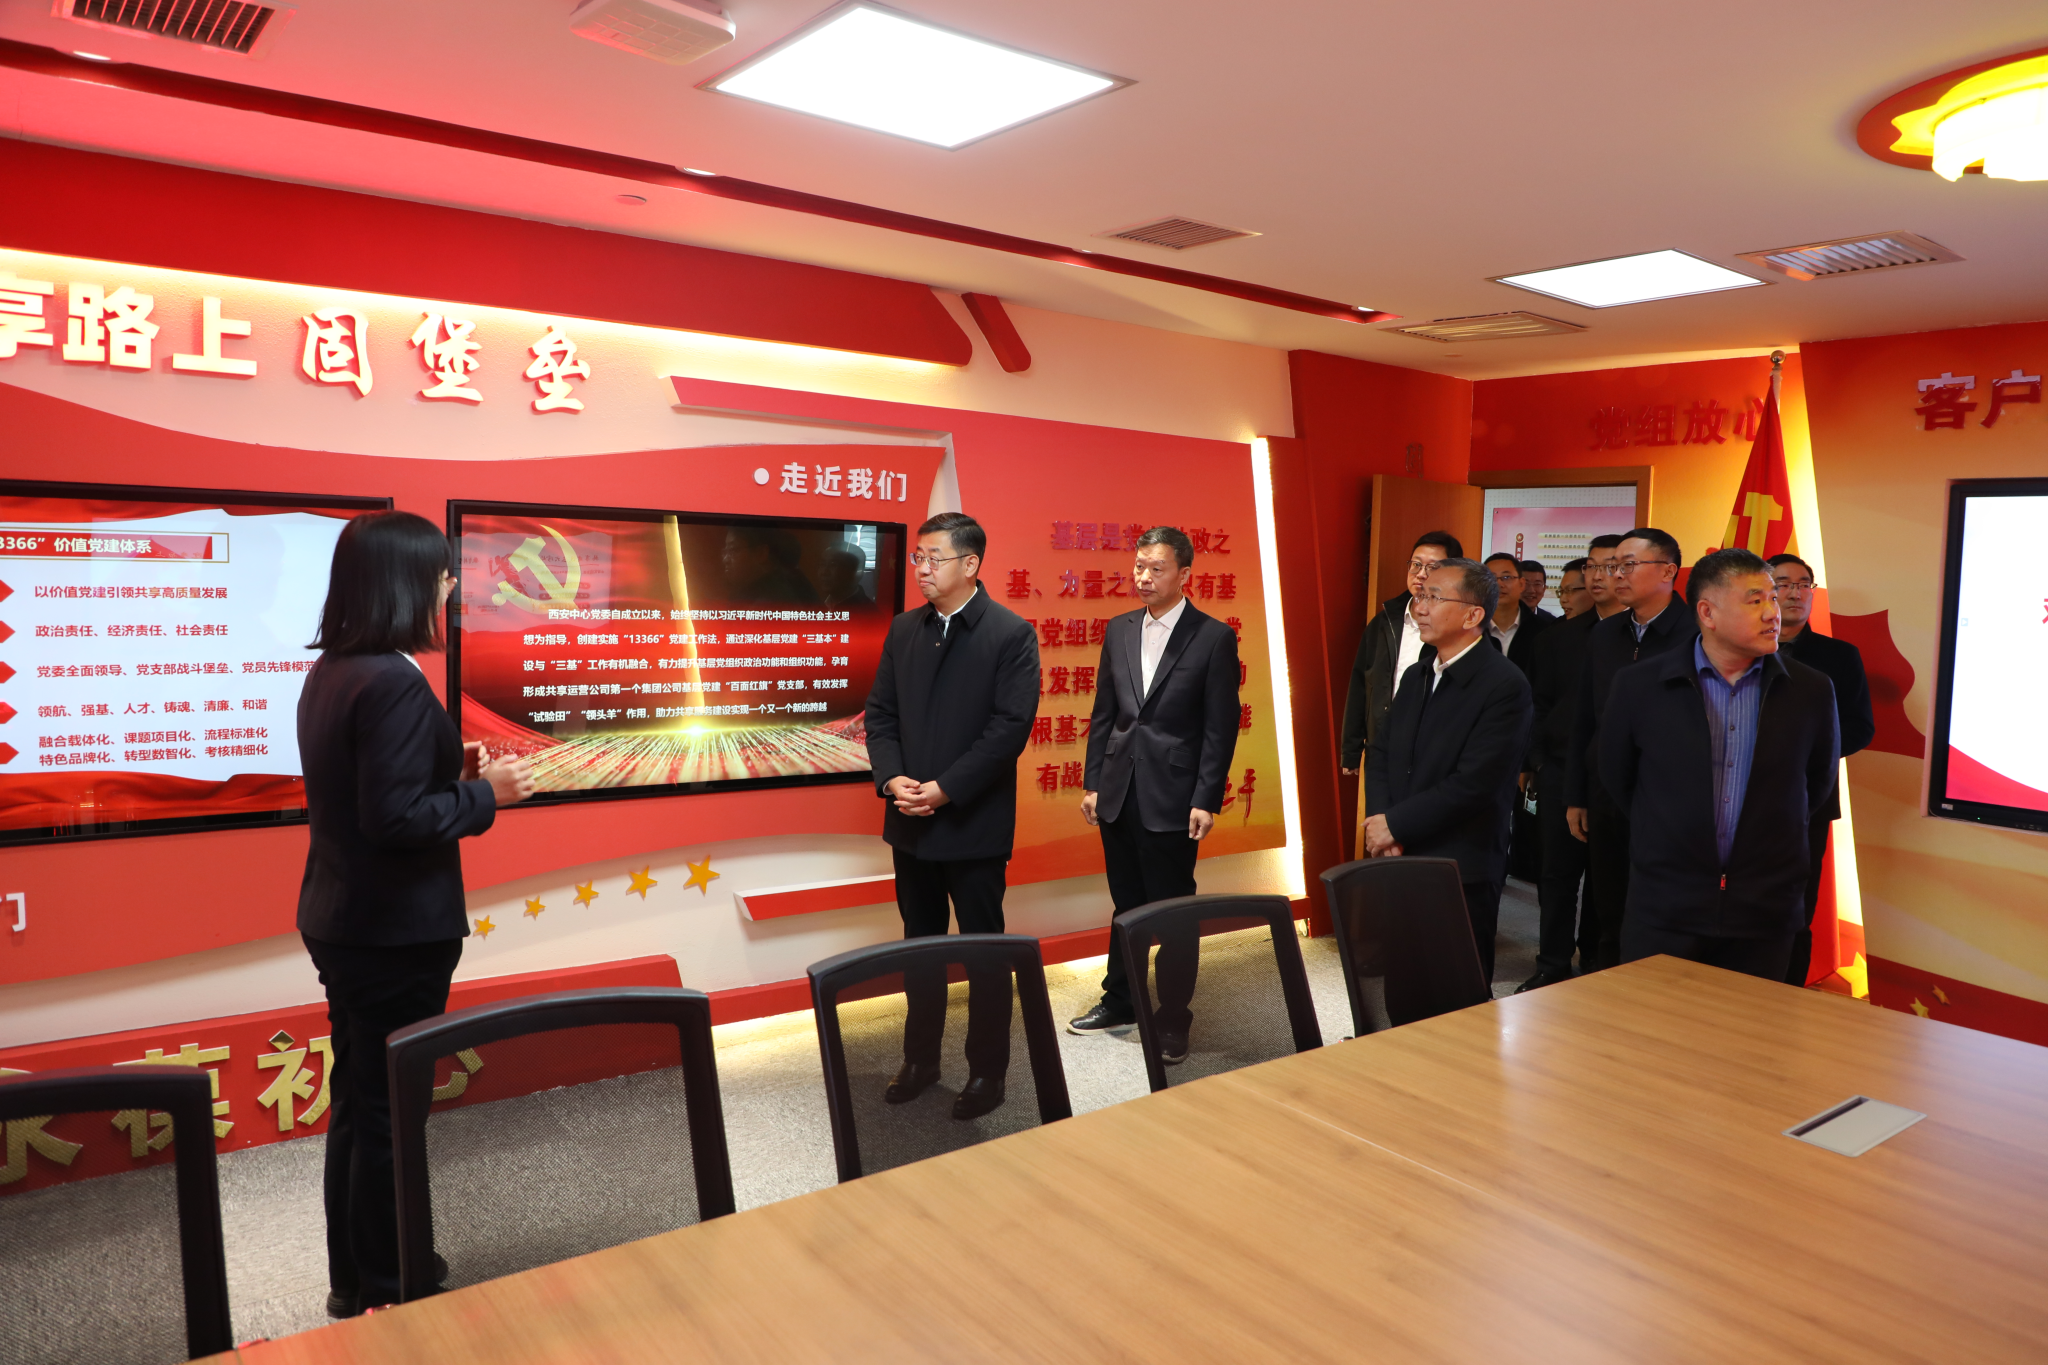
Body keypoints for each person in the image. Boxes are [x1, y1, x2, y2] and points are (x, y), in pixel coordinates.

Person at [297, 511, 536, 1316]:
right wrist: (487, 794)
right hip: (393, 930)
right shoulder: (394, 679)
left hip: (344, 916)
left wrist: (449, 770)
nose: (451, 585)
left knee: (360, 1102)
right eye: (440, 573)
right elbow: (395, 818)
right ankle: (394, 1285)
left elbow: (374, 788)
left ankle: (358, 1273)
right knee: (390, 1111)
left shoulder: (337, 668)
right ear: (404, 584)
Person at [862, 512, 1039, 1120]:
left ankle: (988, 1071)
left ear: (970, 564)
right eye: (917, 557)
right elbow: (881, 715)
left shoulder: (1010, 634)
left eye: (933, 558)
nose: (921, 568)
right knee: (920, 947)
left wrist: (945, 790)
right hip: (910, 821)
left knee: (984, 954)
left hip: (973, 826)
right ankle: (920, 1060)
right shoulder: (904, 629)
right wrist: (892, 778)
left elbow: (1008, 730)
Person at [1600, 548, 1839, 979]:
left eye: (1773, 597)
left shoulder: (1811, 690)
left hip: (1764, 911)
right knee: (1653, 1018)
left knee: (1750, 1022)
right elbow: (1619, 777)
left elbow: (1816, 784)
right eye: (1755, 600)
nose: (1773, 612)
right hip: (1666, 905)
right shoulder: (1639, 685)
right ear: (1707, 613)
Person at [1066, 527, 1241, 1057]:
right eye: (1139, 566)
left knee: (1173, 911)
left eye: (1156, 568)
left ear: (1184, 574)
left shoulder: (1212, 637)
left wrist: (1206, 797)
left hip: (1175, 795)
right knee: (1126, 904)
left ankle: (1173, 1017)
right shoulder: (1119, 629)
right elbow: (1104, 714)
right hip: (1119, 790)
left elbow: (1220, 727)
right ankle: (1120, 999)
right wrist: (1093, 782)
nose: (1143, 577)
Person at [1365, 558, 1534, 984]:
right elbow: (1382, 752)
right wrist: (1382, 821)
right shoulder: (1418, 674)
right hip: (1401, 853)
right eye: (1420, 595)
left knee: (1454, 990)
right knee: (1402, 984)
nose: (1420, 606)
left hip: (1460, 864)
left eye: (1434, 597)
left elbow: (1475, 783)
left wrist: (1395, 824)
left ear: (1473, 616)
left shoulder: (1504, 684)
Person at [1565, 528, 1696, 970]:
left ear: (1668, 572)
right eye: (1611, 566)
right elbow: (1585, 718)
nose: (1615, 575)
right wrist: (1577, 794)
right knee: (1610, 907)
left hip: (1669, 801)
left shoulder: (1696, 634)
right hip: (1606, 795)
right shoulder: (1605, 635)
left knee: (1661, 911)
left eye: (1627, 565)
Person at [1768, 552, 1875, 985]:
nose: (1795, 593)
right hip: (1735, 798)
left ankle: (1786, 1000)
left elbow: (1860, 727)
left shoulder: (1838, 656)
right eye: (1783, 583)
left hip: (1806, 801)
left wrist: (1806, 757)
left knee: (1796, 909)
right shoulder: (1737, 649)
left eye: (1803, 584)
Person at [1513, 551, 1609, 991]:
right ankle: (1551, 961)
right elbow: (1537, 704)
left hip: (1611, 777)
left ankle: (1594, 955)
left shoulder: (1640, 638)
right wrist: (1534, 761)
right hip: (1558, 770)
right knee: (1555, 874)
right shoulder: (1556, 638)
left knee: (1605, 875)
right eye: (1592, 569)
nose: (1599, 577)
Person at [1340, 530, 1463, 777]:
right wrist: (1350, 750)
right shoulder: (1384, 622)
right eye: (1416, 564)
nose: (1421, 573)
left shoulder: (1458, 628)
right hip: (1382, 748)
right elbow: (1360, 684)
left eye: (1432, 567)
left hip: (1434, 754)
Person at [1484, 552, 1551, 675]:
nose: (1499, 584)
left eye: (1506, 577)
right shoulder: (1469, 628)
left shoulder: (1545, 630)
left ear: (1521, 584)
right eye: (1491, 578)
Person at [721, 525, 820, 605]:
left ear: (761, 553)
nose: (725, 559)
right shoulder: (750, 591)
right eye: (725, 551)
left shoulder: (775, 601)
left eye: (733, 550)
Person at [817, 541, 875, 609]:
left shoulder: (868, 612)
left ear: (855, 572)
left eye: (833, 565)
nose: (824, 572)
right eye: (822, 564)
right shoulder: (817, 605)